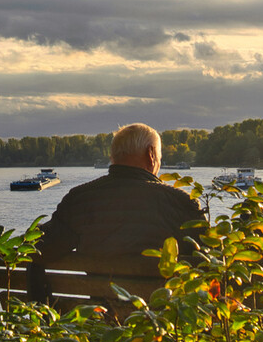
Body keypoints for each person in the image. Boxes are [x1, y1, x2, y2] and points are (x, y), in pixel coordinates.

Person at [27, 123, 206, 299]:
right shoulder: (180, 203)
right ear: (151, 155)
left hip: (100, 319)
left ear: (113, 156)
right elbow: (209, 263)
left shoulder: (80, 199)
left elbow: (39, 248)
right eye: (159, 157)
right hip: (161, 321)